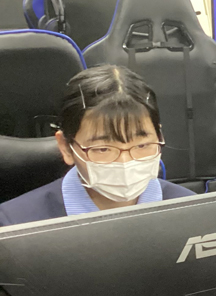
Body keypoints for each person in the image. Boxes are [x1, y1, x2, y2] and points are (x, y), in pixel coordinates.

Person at [0, 66, 194, 227]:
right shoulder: (14, 225)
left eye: (142, 145)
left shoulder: (193, 212)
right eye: (103, 149)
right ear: (66, 147)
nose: (125, 162)